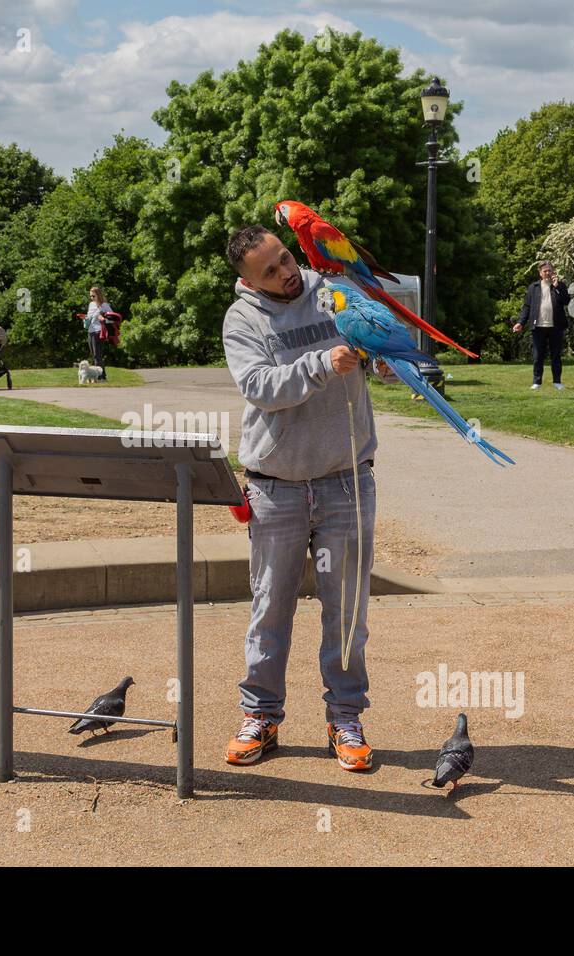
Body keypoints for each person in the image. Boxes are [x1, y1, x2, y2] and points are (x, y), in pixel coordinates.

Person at [220, 224, 380, 773]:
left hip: (346, 480)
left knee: (347, 613)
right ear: (248, 280)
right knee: (270, 609)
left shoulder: (334, 291)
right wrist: (320, 364)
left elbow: (376, 338)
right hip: (276, 486)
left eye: (286, 258)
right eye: (270, 270)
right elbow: (260, 387)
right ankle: (260, 715)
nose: (287, 272)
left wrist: (379, 356)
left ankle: (345, 718)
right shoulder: (242, 320)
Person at [512, 260, 571, 390]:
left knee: (556, 355)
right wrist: (520, 322)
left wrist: (557, 287)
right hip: (538, 326)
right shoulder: (533, 287)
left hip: (556, 326)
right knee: (538, 356)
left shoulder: (559, 286)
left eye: (550, 270)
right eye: (545, 271)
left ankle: (557, 382)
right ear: (540, 273)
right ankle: (537, 382)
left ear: (553, 272)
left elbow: (566, 301)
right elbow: (527, 307)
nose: (548, 273)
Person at [82, 285, 112, 381]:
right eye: (90, 296)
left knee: (97, 356)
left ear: (98, 295)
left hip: (99, 331)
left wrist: (104, 319)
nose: (92, 298)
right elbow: (90, 317)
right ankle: (102, 376)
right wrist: (85, 318)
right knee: (94, 355)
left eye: (93, 296)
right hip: (90, 331)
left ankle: (100, 377)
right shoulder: (91, 304)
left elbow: (112, 319)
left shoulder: (105, 305)